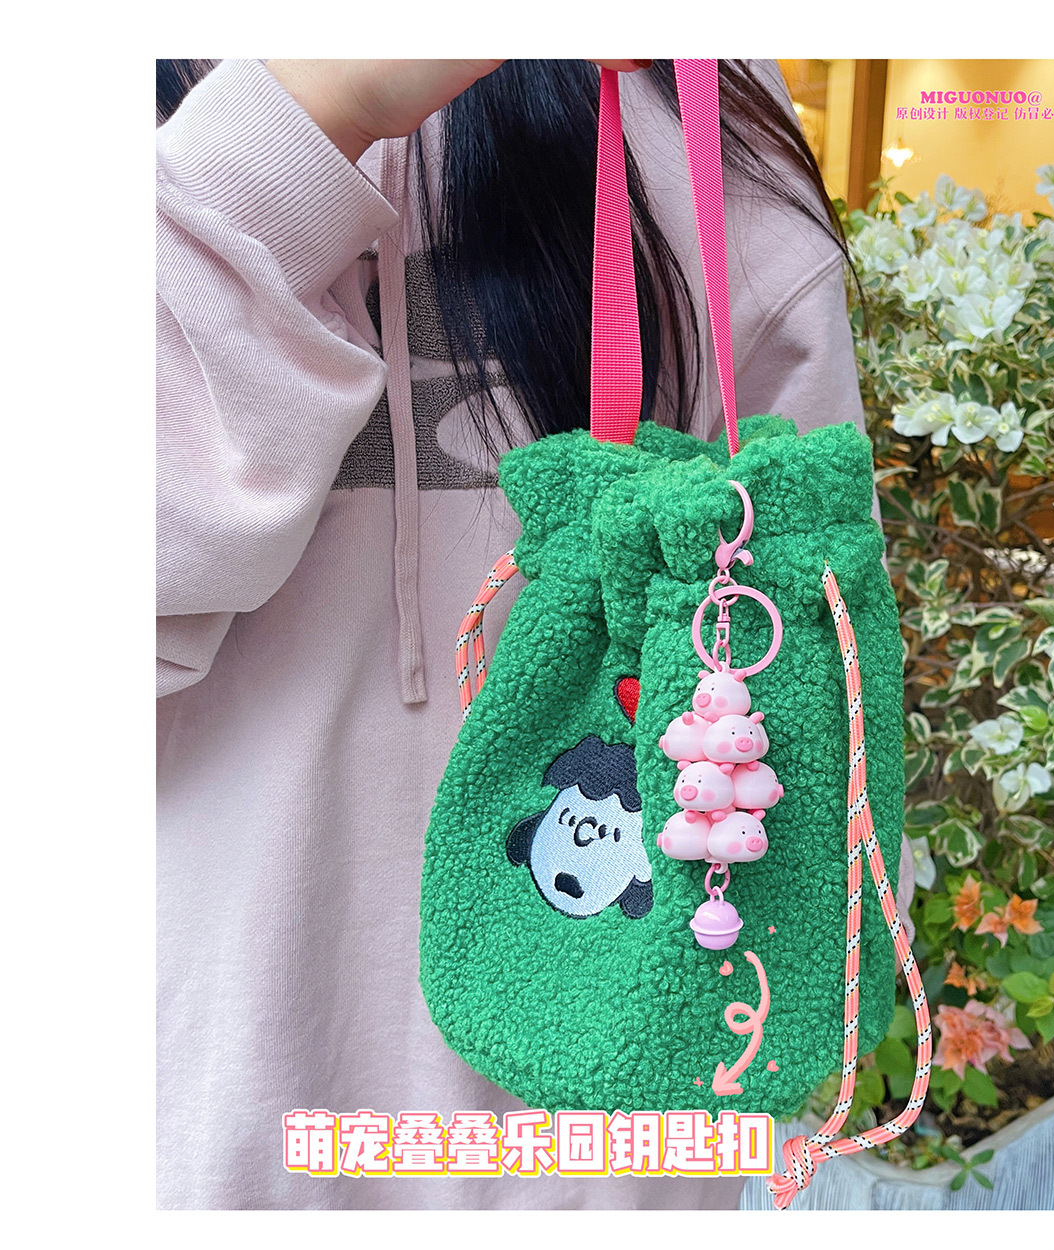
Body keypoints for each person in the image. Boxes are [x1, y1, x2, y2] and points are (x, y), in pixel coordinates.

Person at [156, 56, 913, 1211]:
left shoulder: (693, 107)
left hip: (619, 1136)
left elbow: (811, 674)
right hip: (192, 1117)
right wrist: (305, 117)